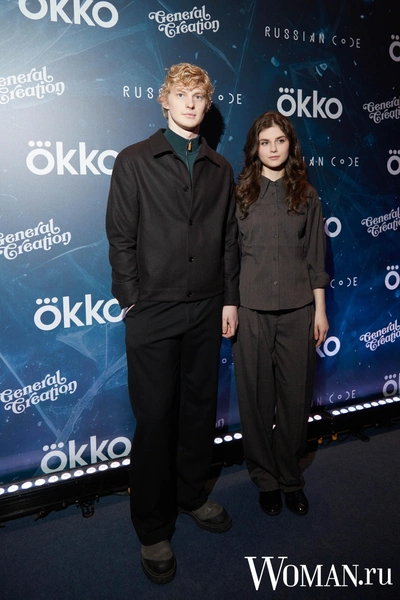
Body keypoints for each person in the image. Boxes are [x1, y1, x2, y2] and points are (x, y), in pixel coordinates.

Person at [106, 63, 239, 584]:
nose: (190, 103)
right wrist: (131, 300)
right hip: (153, 311)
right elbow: (121, 236)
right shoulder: (134, 160)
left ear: (207, 105)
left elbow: (228, 240)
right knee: (156, 418)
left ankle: (191, 495)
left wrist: (229, 300)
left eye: (198, 96)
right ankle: (153, 527)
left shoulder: (220, 168)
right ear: (164, 101)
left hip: (207, 307)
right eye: (181, 95)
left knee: (198, 411)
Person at [232, 111, 329, 518]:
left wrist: (320, 311)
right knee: (255, 399)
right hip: (250, 310)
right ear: (255, 148)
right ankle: (265, 480)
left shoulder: (307, 195)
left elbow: (316, 257)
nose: (273, 149)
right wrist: (229, 305)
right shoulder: (239, 194)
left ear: (291, 145)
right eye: (265, 142)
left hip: (298, 310)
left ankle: (290, 478)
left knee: (294, 399)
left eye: (280, 141)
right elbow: (229, 256)